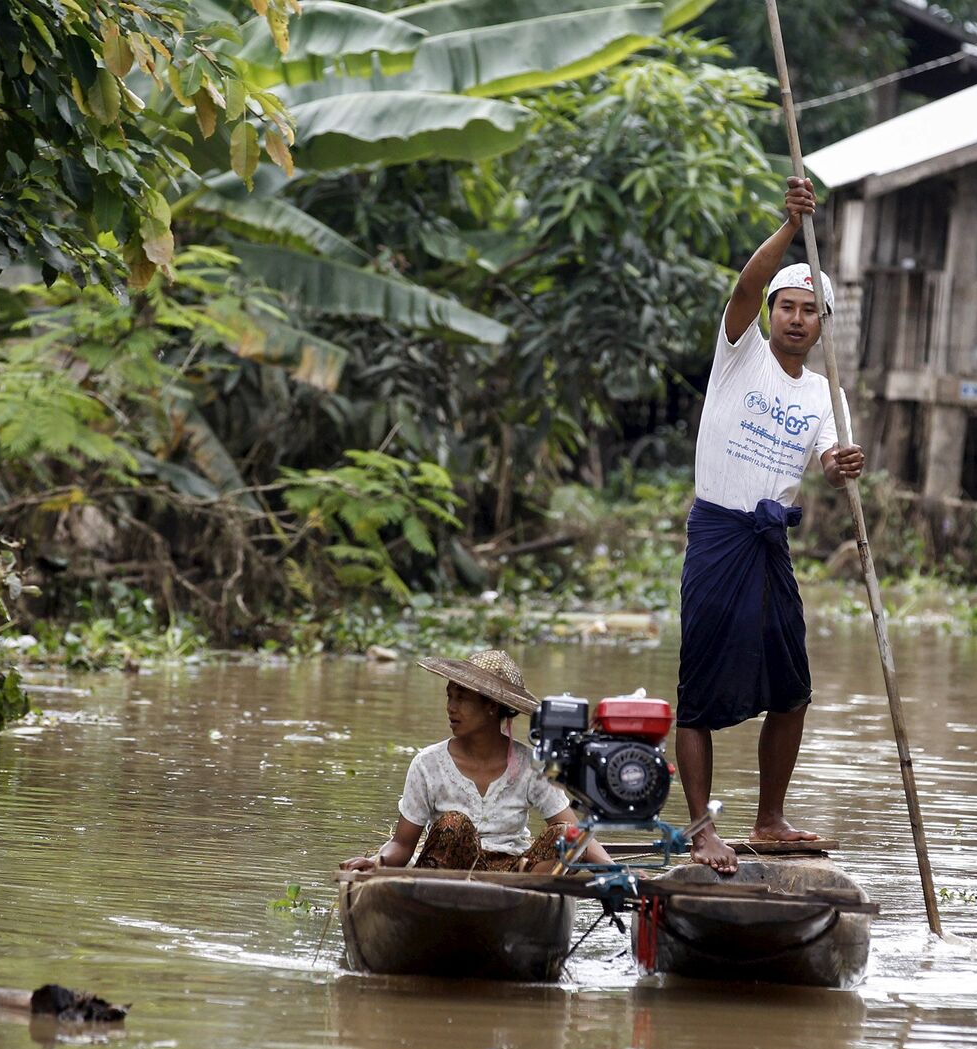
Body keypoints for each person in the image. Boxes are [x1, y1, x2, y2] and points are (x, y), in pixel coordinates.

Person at [677, 175, 865, 875]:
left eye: (808, 311)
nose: (794, 318)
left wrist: (843, 465)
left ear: (821, 325)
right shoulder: (741, 353)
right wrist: (790, 226)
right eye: (786, 306)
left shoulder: (824, 392)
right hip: (718, 534)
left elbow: (828, 459)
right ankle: (701, 830)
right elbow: (742, 290)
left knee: (793, 688)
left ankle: (769, 817)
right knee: (697, 694)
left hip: (769, 542)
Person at [339, 649, 610, 874]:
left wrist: (614, 872)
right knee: (454, 824)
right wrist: (377, 863)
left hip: (516, 876)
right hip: (449, 873)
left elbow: (576, 831)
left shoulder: (529, 763)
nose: (451, 707)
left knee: (566, 835)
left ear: (491, 706)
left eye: (462, 698)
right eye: (449, 696)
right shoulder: (428, 764)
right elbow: (401, 844)